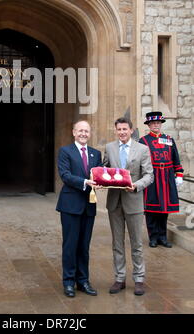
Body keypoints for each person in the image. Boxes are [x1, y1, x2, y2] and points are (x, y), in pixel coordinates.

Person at [101, 117, 154, 296]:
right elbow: (105, 168)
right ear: (115, 131)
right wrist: (100, 177)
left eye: (125, 129)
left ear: (131, 130)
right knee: (117, 243)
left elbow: (149, 175)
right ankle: (120, 278)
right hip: (114, 202)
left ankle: (139, 279)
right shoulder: (109, 147)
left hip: (134, 200)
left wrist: (136, 185)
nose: (122, 132)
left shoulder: (143, 149)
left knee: (136, 243)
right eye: (119, 129)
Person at [56, 120, 102, 298]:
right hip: (70, 206)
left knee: (84, 246)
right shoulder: (65, 151)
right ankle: (68, 282)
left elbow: (99, 173)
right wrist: (84, 182)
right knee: (70, 245)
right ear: (74, 132)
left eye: (86, 131)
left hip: (89, 206)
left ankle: (83, 281)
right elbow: (65, 175)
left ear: (90, 134)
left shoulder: (95, 154)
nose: (83, 133)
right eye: (80, 130)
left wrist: (105, 180)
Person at [139, 112, 184, 248]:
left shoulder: (169, 139)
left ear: (161, 124)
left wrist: (179, 174)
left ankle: (163, 237)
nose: (156, 125)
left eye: (158, 123)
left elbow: (175, 157)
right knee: (152, 209)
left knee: (164, 209)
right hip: (152, 177)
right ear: (149, 125)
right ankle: (153, 237)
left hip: (167, 177)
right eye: (153, 123)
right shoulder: (144, 141)